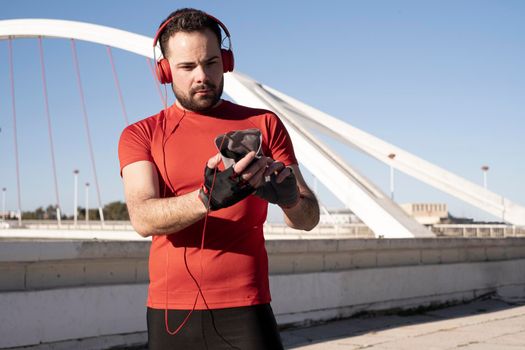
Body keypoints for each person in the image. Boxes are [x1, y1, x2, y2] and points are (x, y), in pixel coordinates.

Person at [118, 8, 319, 349]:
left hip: (247, 306)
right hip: (171, 313)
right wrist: (206, 199)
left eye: (211, 62)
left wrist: (290, 199)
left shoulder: (264, 123)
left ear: (226, 61)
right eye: (187, 67)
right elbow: (142, 217)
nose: (202, 76)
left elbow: (308, 219)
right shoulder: (140, 133)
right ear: (165, 71)